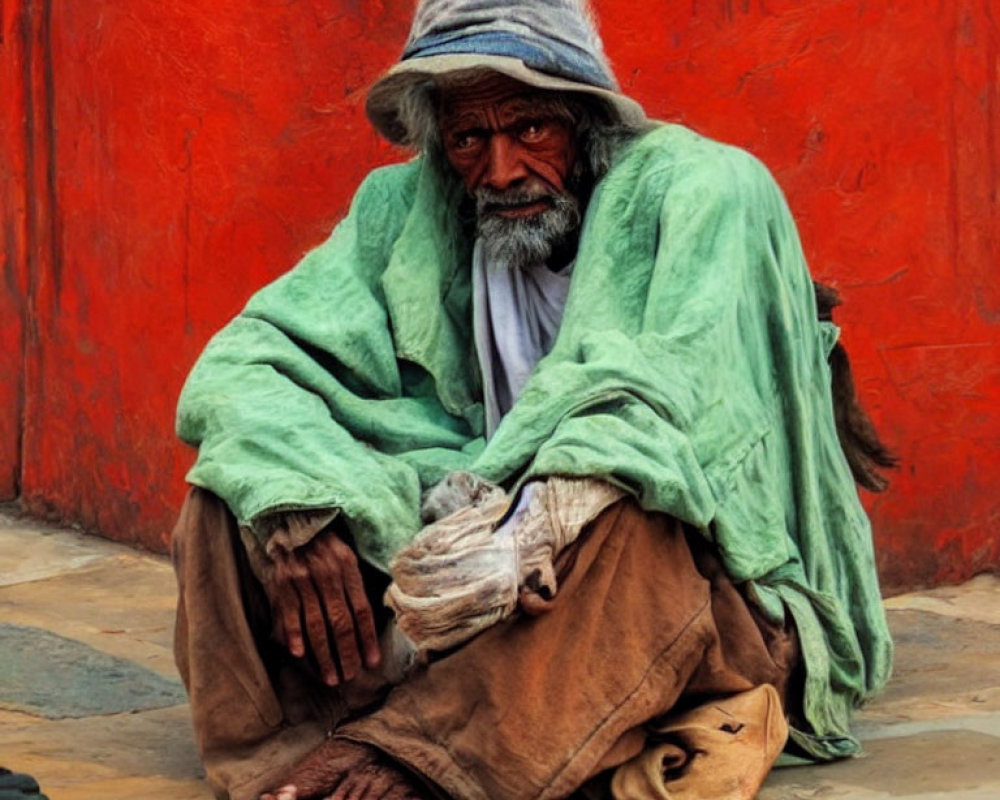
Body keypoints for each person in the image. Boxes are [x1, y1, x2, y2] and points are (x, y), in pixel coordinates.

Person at [170, 2, 894, 799]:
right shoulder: (405, 208)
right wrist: (293, 502)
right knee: (231, 494)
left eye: (531, 130)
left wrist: (525, 530)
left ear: (586, 118)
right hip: (471, 549)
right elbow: (247, 361)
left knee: (630, 511)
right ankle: (301, 746)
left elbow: (668, 409)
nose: (503, 169)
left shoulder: (709, 188)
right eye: (469, 138)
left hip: (695, 579)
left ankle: (421, 756)